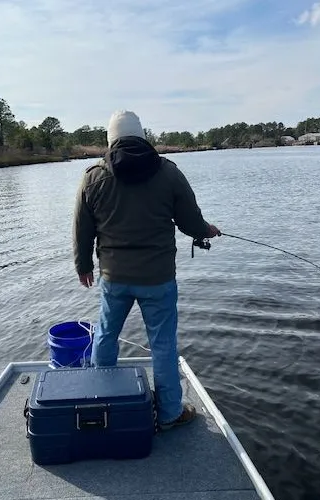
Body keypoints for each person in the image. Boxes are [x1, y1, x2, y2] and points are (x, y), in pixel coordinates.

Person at [73, 110, 221, 430]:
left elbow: (82, 229)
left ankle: (103, 405)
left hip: (114, 277)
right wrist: (206, 230)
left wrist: (83, 265)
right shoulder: (168, 173)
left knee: (106, 335)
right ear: (143, 136)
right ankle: (169, 413)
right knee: (163, 345)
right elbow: (189, 221)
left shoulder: (93, 176)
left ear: (110, 139)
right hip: (158, 278)